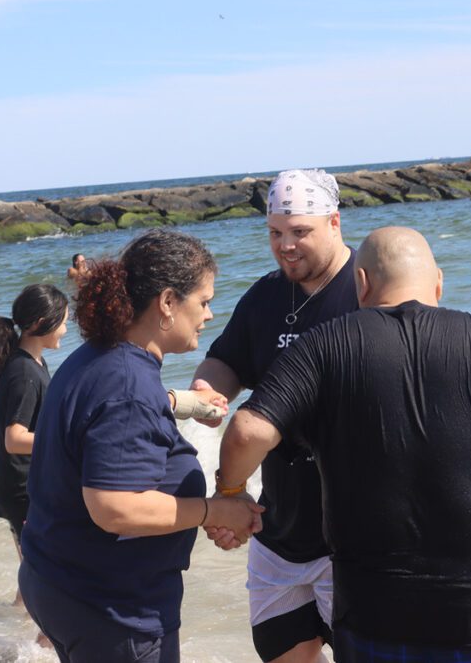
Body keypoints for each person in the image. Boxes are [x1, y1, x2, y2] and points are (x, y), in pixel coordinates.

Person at [216, 226, 471, 661]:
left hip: (376, 619)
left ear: (361, 283)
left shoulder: (322, 346)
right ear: (438, 282)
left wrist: (230, 494)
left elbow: (247, 432)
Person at [19, 229, 264, 663]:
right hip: (111, 608)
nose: (209, 315)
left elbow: (108, 417)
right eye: (204, 301)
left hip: (56, 581)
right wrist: (216, 511)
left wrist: (183, 402)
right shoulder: (128, 385)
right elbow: (114, 508)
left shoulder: (99, 356)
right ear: (168, 302)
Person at [191, 169, 356, 662]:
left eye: (300, 232)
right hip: (279, 529)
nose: (285, 246)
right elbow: (227, 360)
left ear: (334, 222)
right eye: (275, 233)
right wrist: (207, 390)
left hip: (356, 537)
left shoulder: (365, 290)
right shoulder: (265, 295)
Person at [0, 283, 69, 636]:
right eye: (63, 321)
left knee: (33, 568)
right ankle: (44, 643)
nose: (66, 328)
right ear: (40, 322)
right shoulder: (23, 372)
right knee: (47, 573)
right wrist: (65, 442)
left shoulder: (34, 363)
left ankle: (17, 632)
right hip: (22, 489)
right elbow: (14, 439)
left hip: (21, 486)